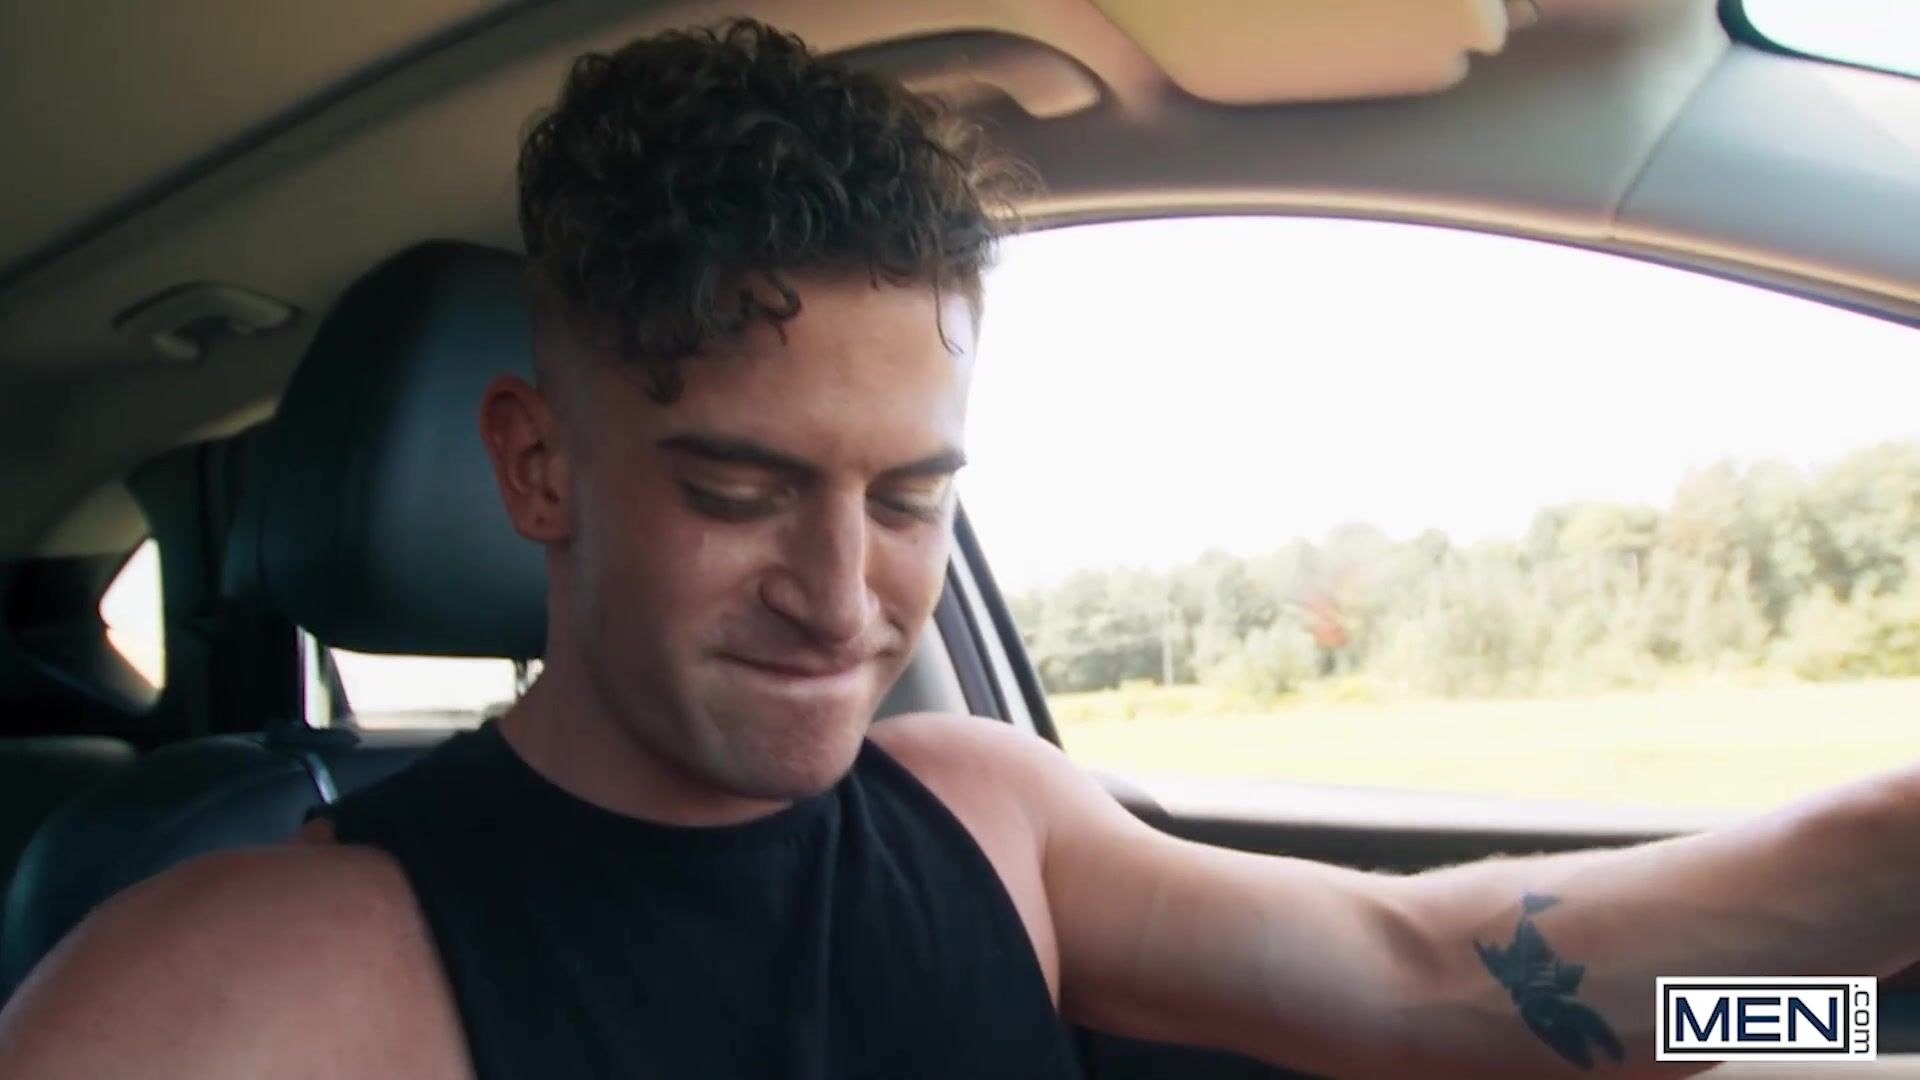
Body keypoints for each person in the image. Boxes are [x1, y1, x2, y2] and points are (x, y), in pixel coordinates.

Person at [1, 18, 1914, 1080]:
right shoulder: (239, 983)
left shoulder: (992, 820)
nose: (845, 600)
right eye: (739, 490)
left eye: (910, 497)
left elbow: (1437, 981)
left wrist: (1854, 1002)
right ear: (539, 465)